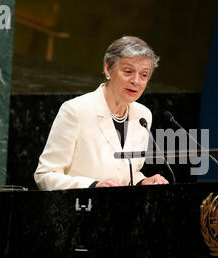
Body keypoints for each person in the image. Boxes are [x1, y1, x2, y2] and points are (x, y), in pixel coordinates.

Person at [34, 36, 169, 190]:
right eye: (128, 71)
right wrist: (93, 186)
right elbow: (45, 174)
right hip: (82, 208)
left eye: (144, 75)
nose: (136, 81)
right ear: (108, 68)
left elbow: (126, 171)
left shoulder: (143, 115)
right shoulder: (76, 110)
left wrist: (141, 181)